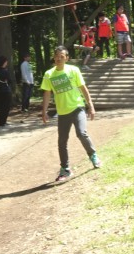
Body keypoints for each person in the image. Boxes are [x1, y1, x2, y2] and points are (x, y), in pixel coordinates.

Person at [40, 46, 102, 183]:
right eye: (56, 56)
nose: (58, 58)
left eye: (62, 56)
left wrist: (90, 105)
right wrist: (44, 112)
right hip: (62, 112)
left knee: (81, 133)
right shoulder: (49, 74)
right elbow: (47, 94)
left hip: (77, 107)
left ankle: (93, 156)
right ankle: (65, 169)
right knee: (62, 141)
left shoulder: (74, 70)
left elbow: (83, 88)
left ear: (67, 58)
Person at [0, 55, 14, 126]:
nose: (7, 62)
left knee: (1, 107)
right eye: (6, 61)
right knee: (6, 107)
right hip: (6, 90)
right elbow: (9, 80)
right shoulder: (5, 71)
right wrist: (8, 81)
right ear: (4, 62)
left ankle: (1, 122)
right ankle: (3, 122)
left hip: (0, 90)